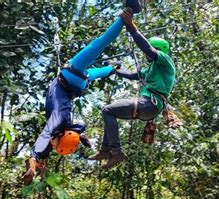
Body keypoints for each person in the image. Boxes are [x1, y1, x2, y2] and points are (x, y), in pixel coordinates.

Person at [22, 1, 142, 184]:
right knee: (99, 44)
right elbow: (44, 139)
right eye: (56, 145)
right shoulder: (59, 122)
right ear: (61, 138)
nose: (52, 145)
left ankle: (112, 69)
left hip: (78, 83)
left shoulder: (63, 127)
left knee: (99, 68)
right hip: (71, 75)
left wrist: (35, 163)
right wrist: (33, 160)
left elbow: (48, 143)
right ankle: (129, 12)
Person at [89, 8, 178, 169]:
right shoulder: (151, 69)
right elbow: (132, 75)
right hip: (149, 107)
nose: (146, 56)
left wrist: (131, 27)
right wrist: (115, 70)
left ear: (159, 49)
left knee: (107, 110)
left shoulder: (165, 61)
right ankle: (105, 150)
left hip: (149, 103)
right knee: (109, 112)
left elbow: (147, 49)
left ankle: (116, 152)